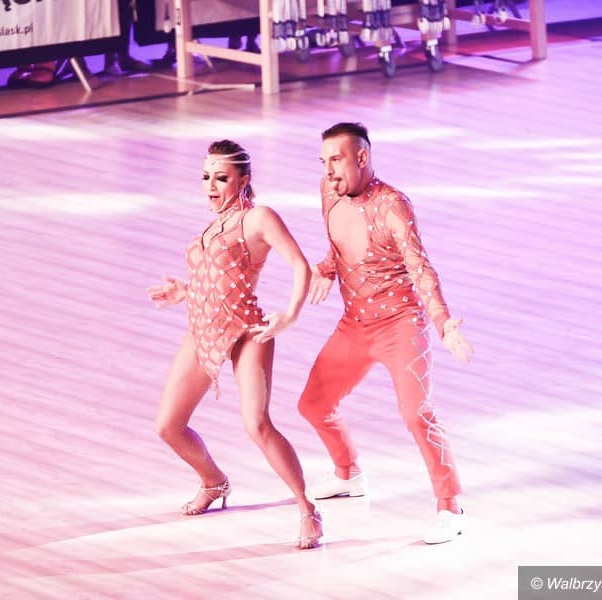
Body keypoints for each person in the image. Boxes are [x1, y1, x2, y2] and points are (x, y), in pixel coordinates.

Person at [298, 122, 474, 544]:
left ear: (362, 157)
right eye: (323, 162)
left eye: (336, 160)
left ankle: (451, 506)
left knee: (416, 414)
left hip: (401, 325)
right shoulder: (328, 191)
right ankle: (348, 474)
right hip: (354, 325)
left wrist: (443, 323)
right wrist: (326, 268)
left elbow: (420, 268)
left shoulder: (393, 205)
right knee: (313, 404)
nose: (329, 171)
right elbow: (342, 243)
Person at [147, 140, 323, 549]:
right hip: (204, 329)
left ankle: (307, 509)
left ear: (243, 180)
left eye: (221, 178)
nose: (211, 186)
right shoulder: (212, 227)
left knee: (256, 424)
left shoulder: (258, 218)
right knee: (168, 426)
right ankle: (214, 481)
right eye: (206, 177)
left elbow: (300, 265)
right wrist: (185, 292)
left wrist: (291, 314)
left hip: (247, 332)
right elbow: (217, 281)